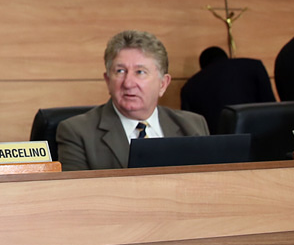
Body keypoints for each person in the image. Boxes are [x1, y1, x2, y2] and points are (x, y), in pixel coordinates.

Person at [56, 30, 209, 171]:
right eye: (120, 71)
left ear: (163, 84)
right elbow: (79, 197)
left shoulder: (193, 126)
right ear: (108, 80)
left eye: (140, 72)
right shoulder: (77, 132)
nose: (128, 83)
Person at [180, 45, 275, 133]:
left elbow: (191, 128)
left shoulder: (190, 87)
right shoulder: (254, 66)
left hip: (220, 145)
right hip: (261, 135)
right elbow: (271, 105)